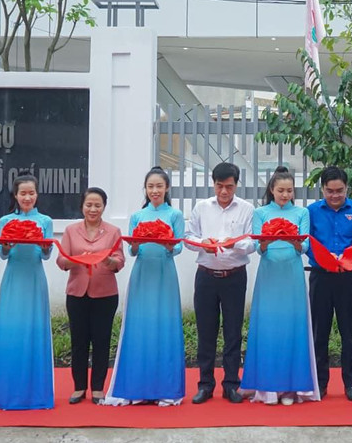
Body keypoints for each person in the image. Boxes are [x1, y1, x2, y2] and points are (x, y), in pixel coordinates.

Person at [106, 169, 185, 406]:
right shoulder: (138, 216)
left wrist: (168, 243)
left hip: (164, 273)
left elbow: (179, 248)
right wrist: (137, 243)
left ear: (167, 188)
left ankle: (166, 389)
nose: (155, 191)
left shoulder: (175, 214)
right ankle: (137, 388)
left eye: (159, 186)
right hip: (142, 274)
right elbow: (132, 250)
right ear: (146, 189)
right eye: (151, 186)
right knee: (139, 326)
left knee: (164, 326)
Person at [244, 166, 318, 404]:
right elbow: (258, 247)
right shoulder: (260, 212)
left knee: (292, 328)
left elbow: (305, 247)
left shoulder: (302, 213)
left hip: (292, 275)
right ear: (271, 190)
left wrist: (295, 240)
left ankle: (291, 388)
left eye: (289, 191)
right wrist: (267, 239)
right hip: (269, 276)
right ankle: (267, 388)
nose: (285, 195)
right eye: (280, 191)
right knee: (268, 328)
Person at [0, 175, 55, 411]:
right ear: (15, 195)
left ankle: (36, 395)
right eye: (22, 193)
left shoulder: (45, 221)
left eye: (31, 193)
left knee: (35, 332)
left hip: (35, 279)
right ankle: (7, 392)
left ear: (37, 194)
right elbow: (2, 255)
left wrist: (46, 248)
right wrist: (6, 246)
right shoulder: (6, 220)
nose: (27, 197)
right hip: (14, 279)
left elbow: (45, 256)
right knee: (11, 332)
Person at [187, 162, 254, 404]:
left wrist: (234, 243)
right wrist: (205, 242)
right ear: (213, 183)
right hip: (206, 275)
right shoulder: (202, 207)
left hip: (234, 276)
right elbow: (188, 238)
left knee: (233, 331)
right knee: (206, 331)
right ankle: (205, 385)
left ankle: (231, 384)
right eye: (219, 186)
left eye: (229, 186)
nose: (224, 192)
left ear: (236, 185)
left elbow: (252, 243)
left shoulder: (247, 208)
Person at [58, 186, 125, 405]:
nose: (93, 209)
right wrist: (77, 259)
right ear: (82, 206)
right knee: (78, 341)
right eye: (89, 205)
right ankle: (79, 387)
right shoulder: (71, 230)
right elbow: (61, 261)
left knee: (101, 340)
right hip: (77, 292)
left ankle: (97, 388)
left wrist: (108, 261)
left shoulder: (113, 231)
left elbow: (120, 261)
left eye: (98, 205)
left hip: (105, 293)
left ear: (104, 207)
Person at [306, 166, 352, 400]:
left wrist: (346, 258)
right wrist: (324, 257)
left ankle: (351, 382)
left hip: (348, 276)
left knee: (348, 330)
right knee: (319, 331)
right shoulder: (312, 211)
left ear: (347, 188)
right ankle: (319, 383)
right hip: (321, 275)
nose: (334, 196)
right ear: (322, 189)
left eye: (339, 191)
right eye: (329, 191)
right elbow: (307, 242)